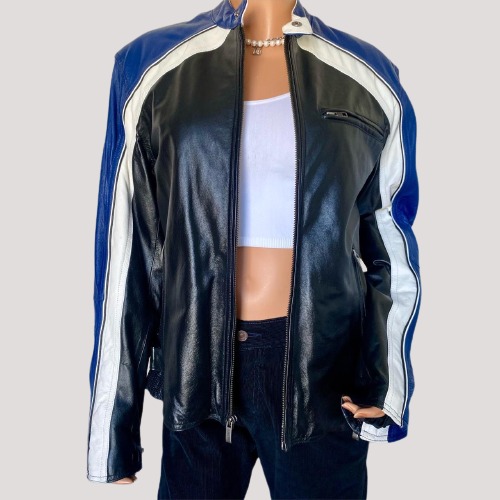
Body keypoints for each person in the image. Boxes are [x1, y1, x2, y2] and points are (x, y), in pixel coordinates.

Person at [86, 0, 422, 498]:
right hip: (194, 364)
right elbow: (125, 248)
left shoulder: (368, 75)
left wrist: (386, 383)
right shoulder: (150, 64)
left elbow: (391, 244)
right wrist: (113, 427)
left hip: (322, 373)